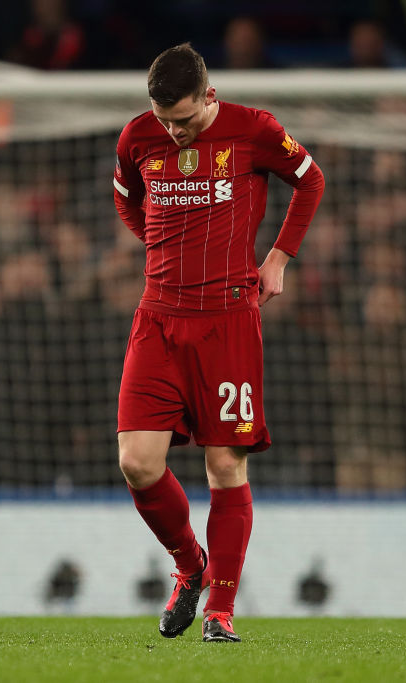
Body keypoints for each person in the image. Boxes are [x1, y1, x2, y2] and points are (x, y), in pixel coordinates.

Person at [112, 43, 324, 642]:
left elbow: (311, 182)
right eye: (164, 121)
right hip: (157, 317)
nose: (174, 132)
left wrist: (278, 259)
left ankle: (221, 611)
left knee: (225, 463)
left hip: (227, 320)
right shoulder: (136, 139)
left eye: (184, 119)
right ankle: (190, 566)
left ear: (210, 95)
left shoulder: (253, 130)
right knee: (136, 462)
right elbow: (129, 198)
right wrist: (161, 249)